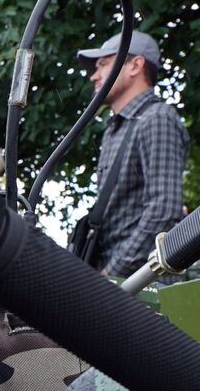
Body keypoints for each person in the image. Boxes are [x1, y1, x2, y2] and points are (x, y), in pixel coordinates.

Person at [75, 29, 189, 279]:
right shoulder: (117, 128)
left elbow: (163, 209)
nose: (94, 76)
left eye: (103, 64)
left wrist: (112, 274)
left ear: (135, 65)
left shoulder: (156, 119)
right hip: (119, 279)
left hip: (141, 284)